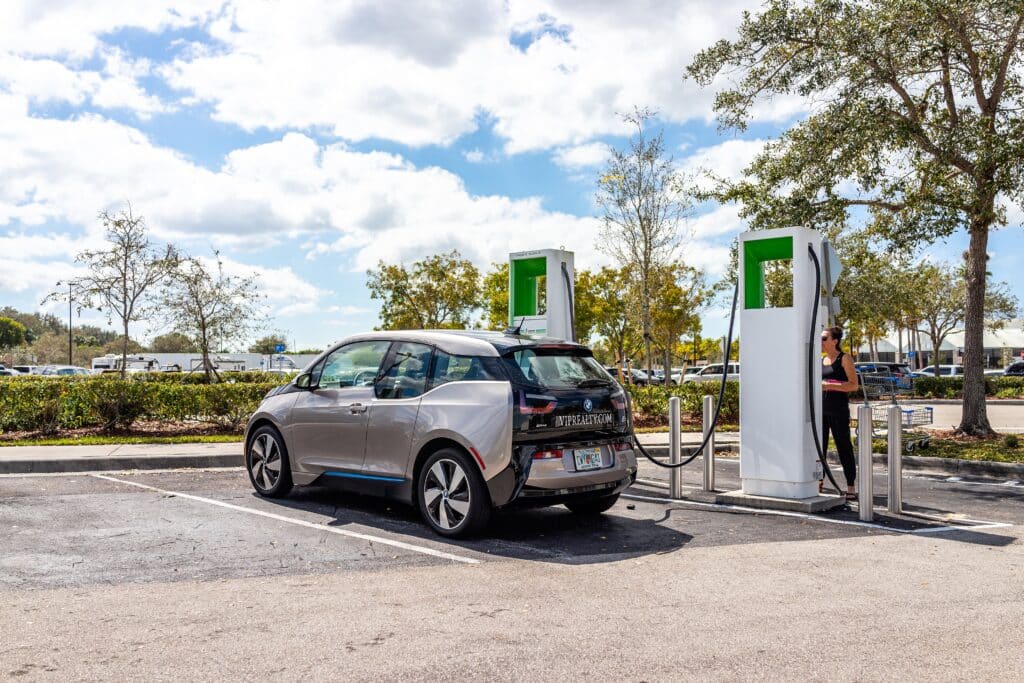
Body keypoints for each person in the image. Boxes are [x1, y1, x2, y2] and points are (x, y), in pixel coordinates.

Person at [821, 326, 859, 500]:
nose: (821, 342)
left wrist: (829, 385)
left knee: (843, 446)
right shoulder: (821, 360)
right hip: (821, 410)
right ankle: (818, 481)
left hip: (838, 410)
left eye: (824, 338)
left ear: (834, 341)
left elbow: (853, 385)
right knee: (818, 448)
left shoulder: (845, 359)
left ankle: (850, 486)